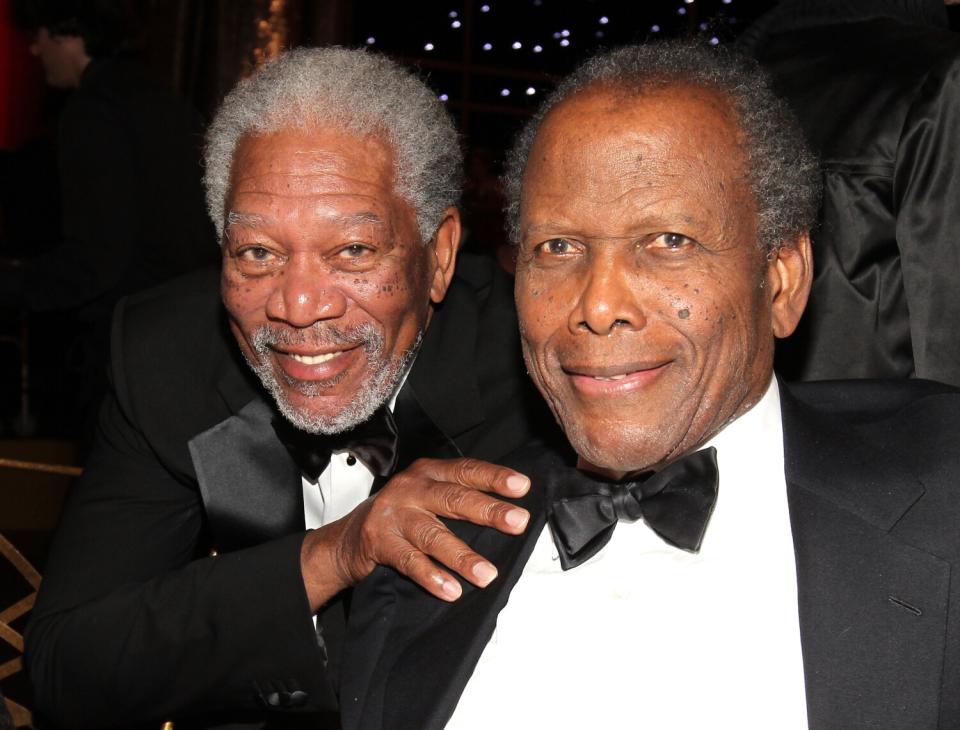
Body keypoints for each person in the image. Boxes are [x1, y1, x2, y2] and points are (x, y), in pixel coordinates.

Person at [340, 41, 960, 729]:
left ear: (781, 279)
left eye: (668, 241)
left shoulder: (941, 499)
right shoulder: (425, 568)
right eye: (558, 248)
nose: (598, 306)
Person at [25, 47, 553, 729]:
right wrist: (332, 554)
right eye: (258, 254)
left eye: (354, 252)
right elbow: (70, 668)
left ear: (440, 255)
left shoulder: (539, 370)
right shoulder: (167, 356)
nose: (299, 307)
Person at [2, 0, 217, 434]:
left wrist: (13, 285)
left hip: (125, 348)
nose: (33, 51)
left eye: (37, 37)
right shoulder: (166, 100)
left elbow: (97, 258)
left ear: (66, 31)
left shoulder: (92, 110)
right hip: (191, 339)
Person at [739, 0, 960, 384]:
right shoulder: (944, 76)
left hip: (756, 430)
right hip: (893, 429)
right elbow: (946, 326)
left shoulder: (725, 81)